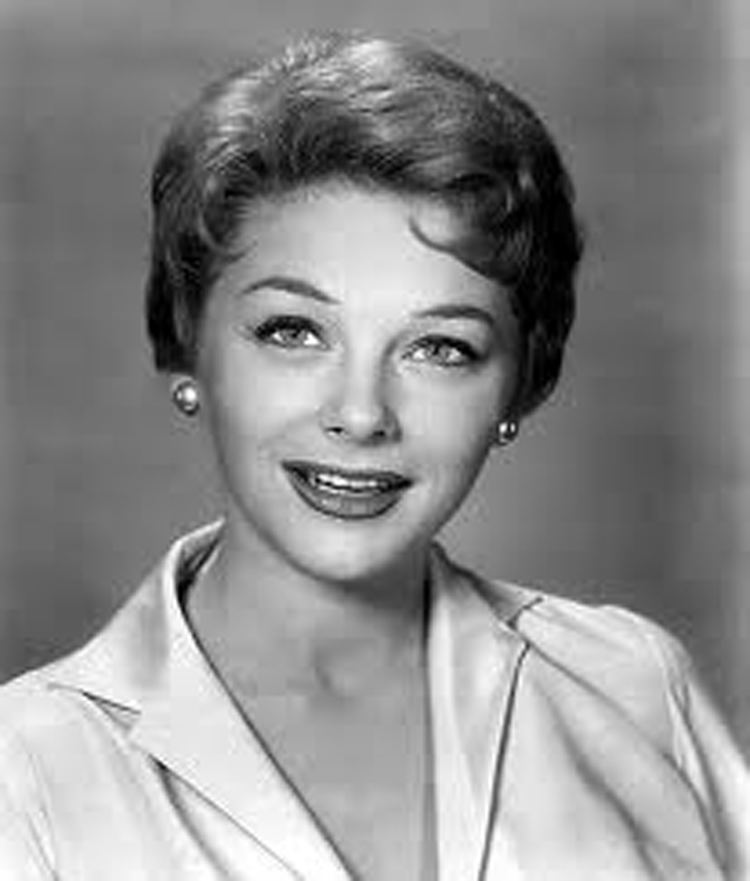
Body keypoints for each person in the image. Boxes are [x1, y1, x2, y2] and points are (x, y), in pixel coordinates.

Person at [0, 32, 748, 881]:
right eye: (294, 331)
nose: (361, 415)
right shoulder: (25, 775)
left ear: (520, 383)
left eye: (440, 348)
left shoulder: (633, 684)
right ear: (188, 346)